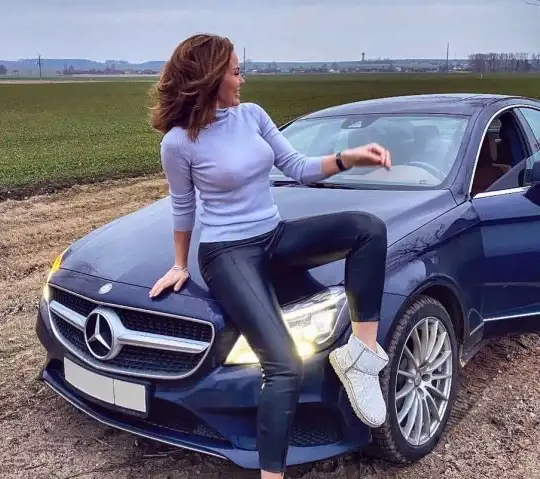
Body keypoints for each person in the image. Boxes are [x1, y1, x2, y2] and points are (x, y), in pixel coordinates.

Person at [147, 33, 392, 479]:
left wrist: (350, 157)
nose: (242, 80)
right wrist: (180, 264)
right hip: (227, 252)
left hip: (273, 236)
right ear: (210, 78)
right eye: (236, 72)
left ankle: (361, 356)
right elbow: (182, 206)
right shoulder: (178, 143)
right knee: (284, 364)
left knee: (367, 230)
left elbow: (297, 167)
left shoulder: (253, 116)